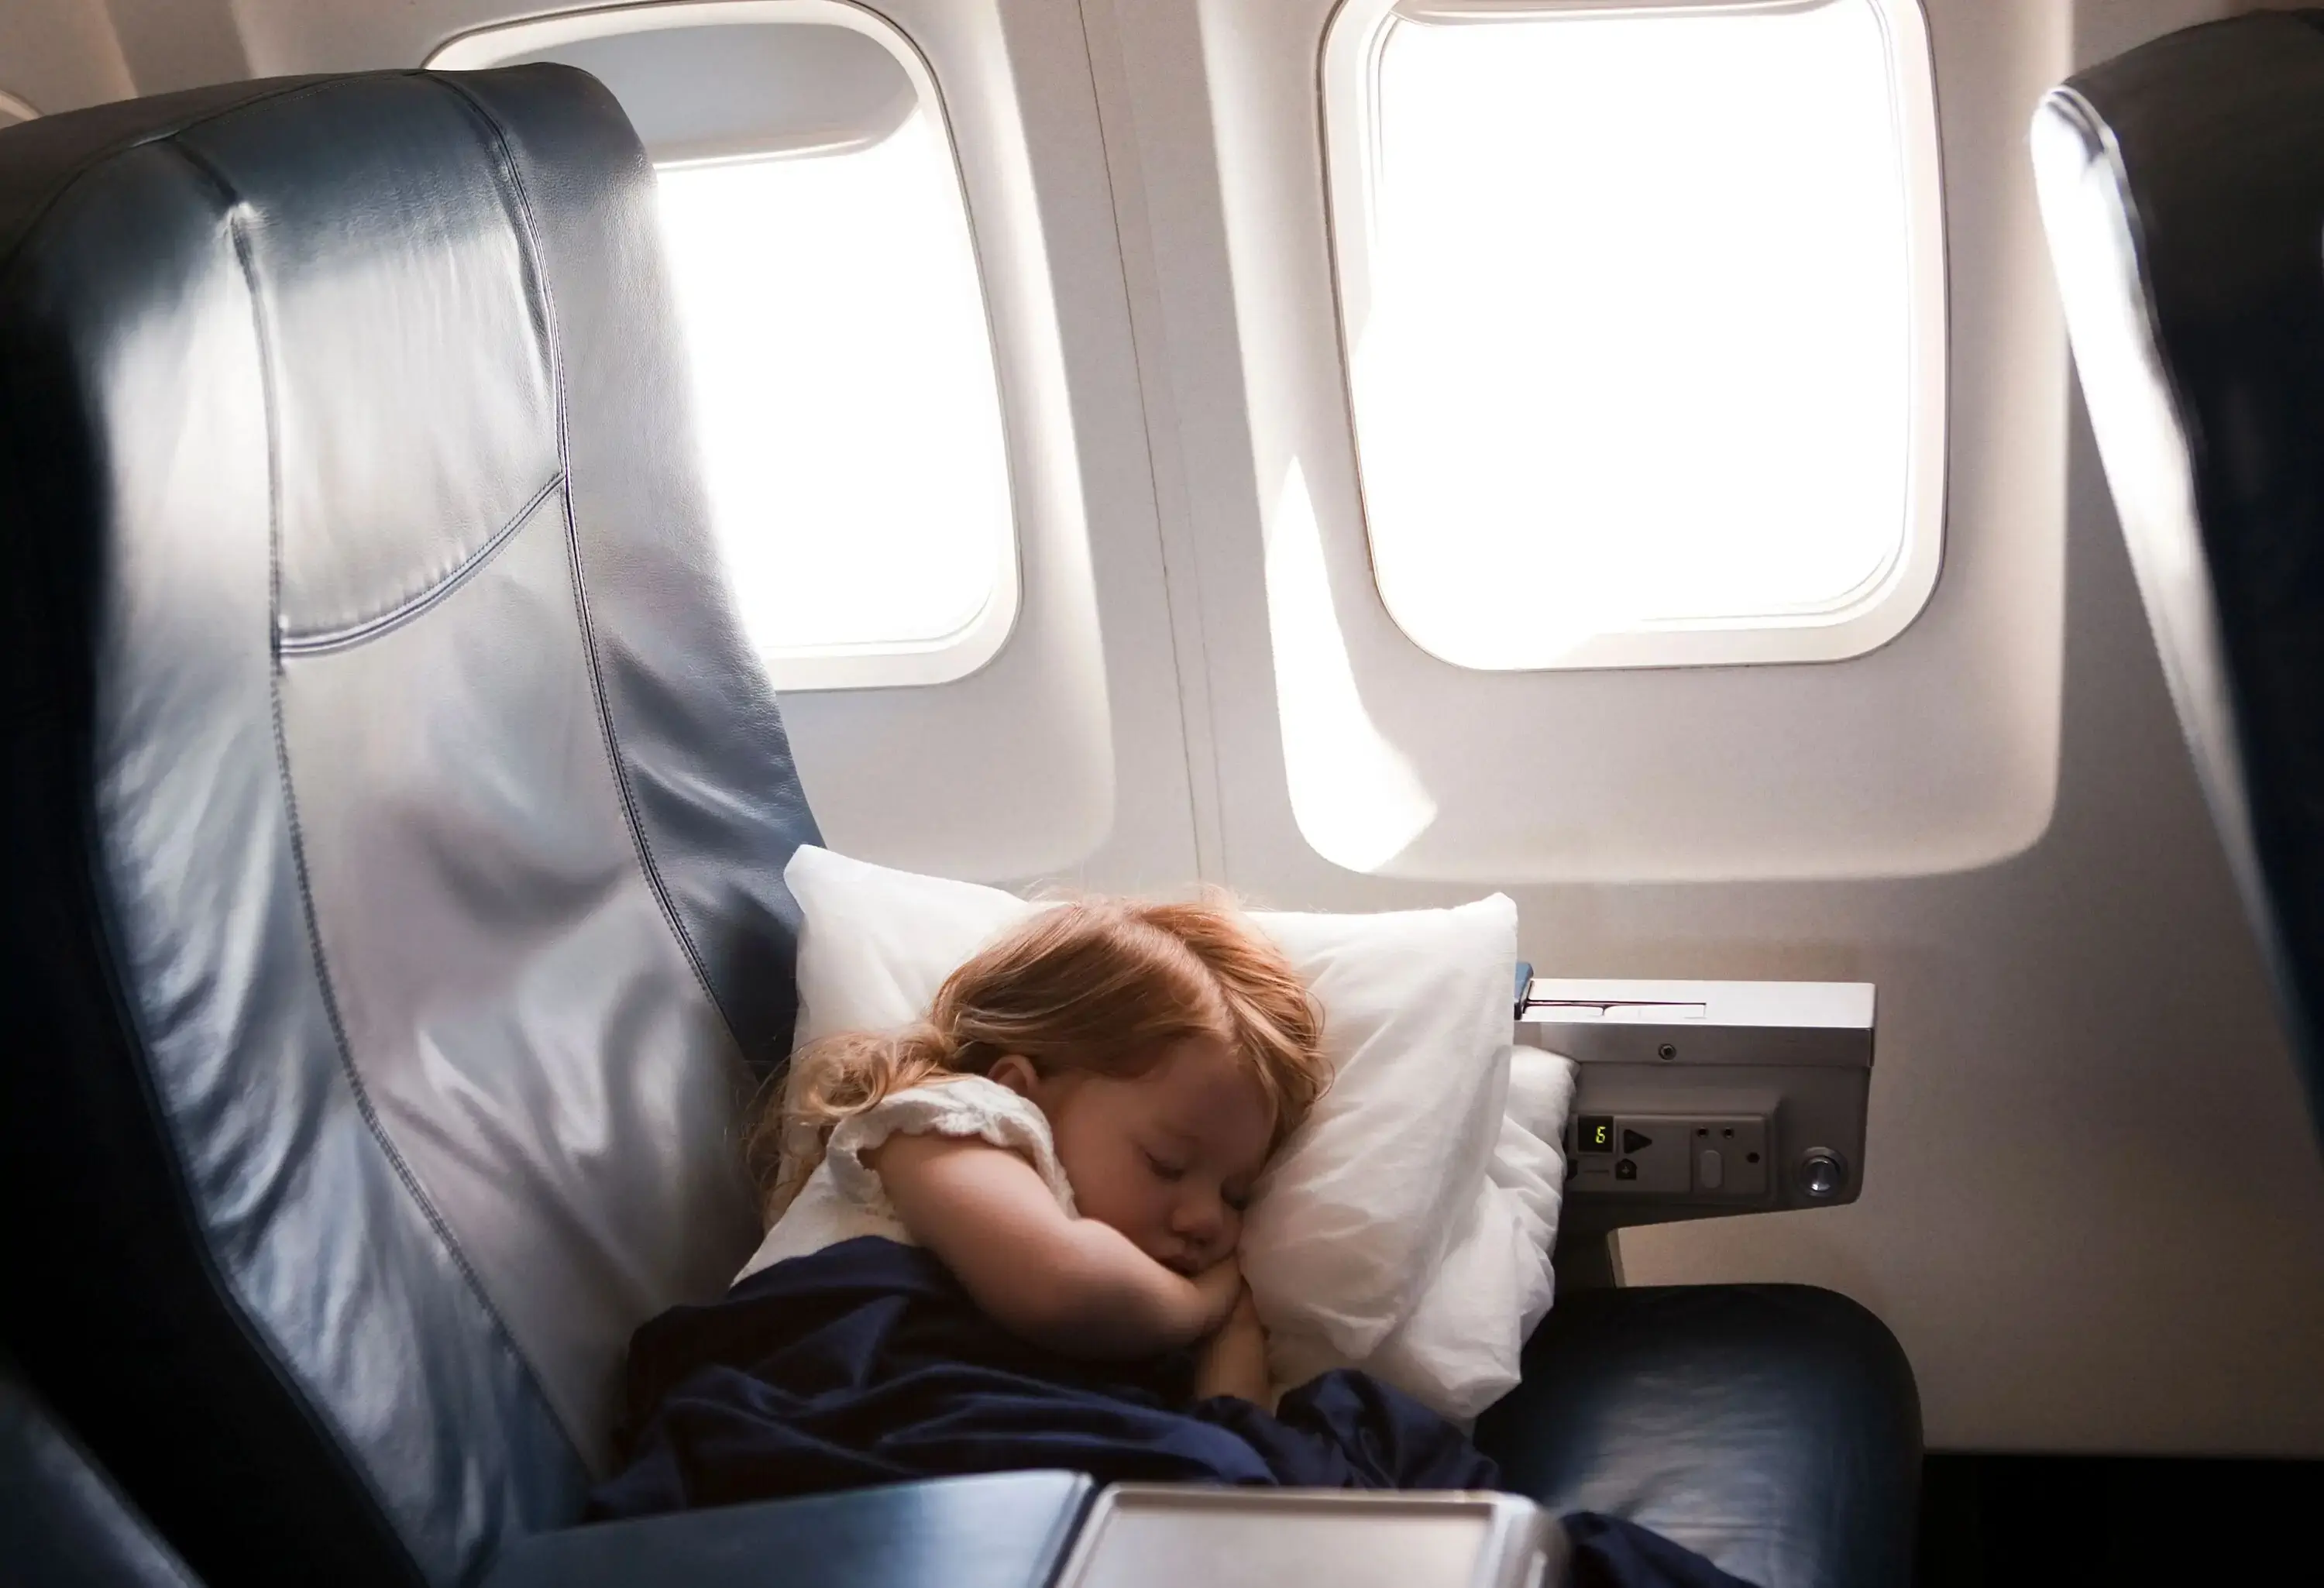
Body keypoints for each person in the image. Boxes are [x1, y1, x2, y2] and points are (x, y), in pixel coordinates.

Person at [734, 895, 1332, 1407]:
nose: (1207, 1219)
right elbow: (1060, 1286)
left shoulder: (1140, 1305)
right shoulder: (943, 1122)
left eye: (1235, 1195)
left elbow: (1234, 1438)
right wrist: (1204, 1305)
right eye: (1166, 1164)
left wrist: (1236, 1328)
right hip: (839, 1402)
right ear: (1021, 1092)